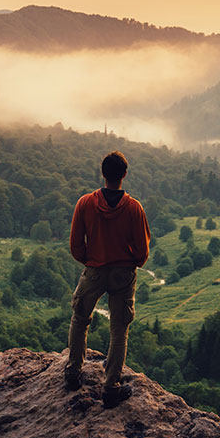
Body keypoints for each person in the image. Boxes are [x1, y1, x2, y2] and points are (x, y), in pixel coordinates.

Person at [65, 150, 151, 408]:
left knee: (80, 319)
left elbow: (75, 244)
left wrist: (90, 261)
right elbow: (142, 251)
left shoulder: (85, 204)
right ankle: (111, 386)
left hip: (93, 271)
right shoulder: (134, 208)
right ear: (124, 175)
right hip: (123, 273)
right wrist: (130, 263)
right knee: (119, 329)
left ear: (102, 174)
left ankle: (72, 373)